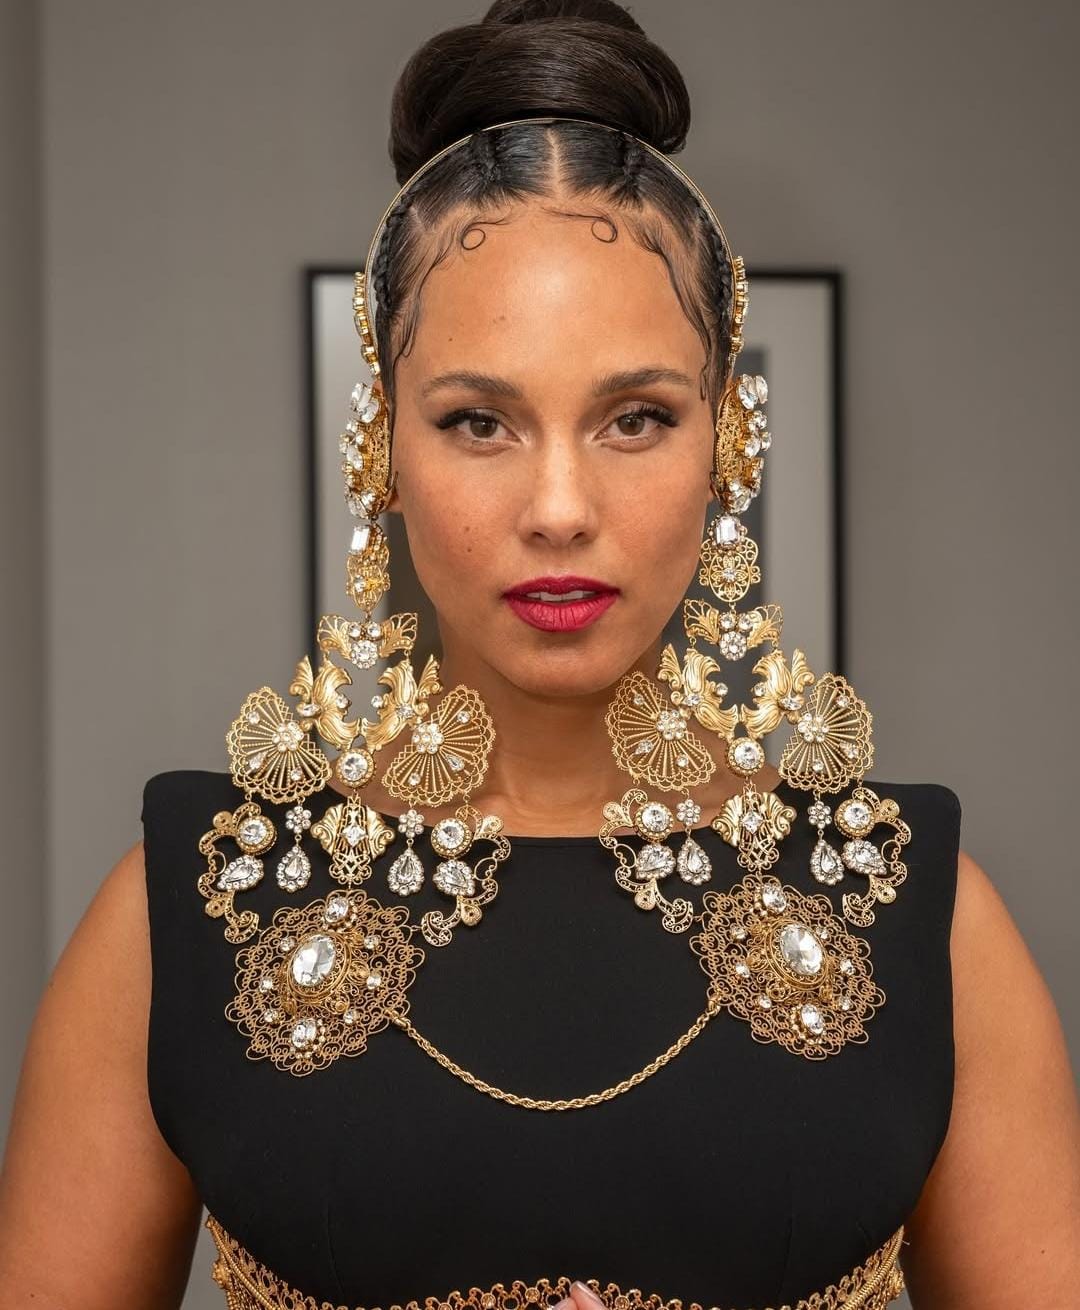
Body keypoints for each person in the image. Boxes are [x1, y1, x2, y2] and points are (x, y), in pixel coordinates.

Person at [2, 2, 1078, 1307]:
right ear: (380, 446)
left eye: (635, 418)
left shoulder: (918, 914)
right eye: (479, 422)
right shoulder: (191, 908)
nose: (560, 508)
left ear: (729, 440)